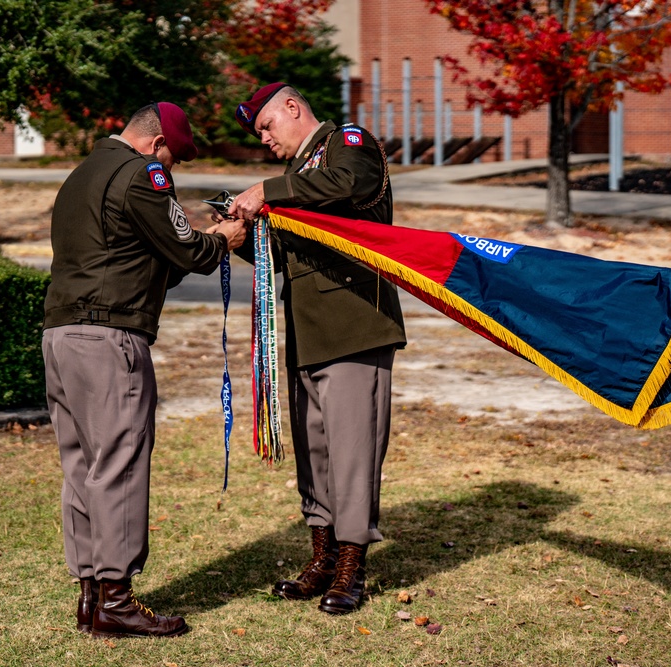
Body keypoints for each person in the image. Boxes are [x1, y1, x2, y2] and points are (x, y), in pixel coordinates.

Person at [42, 102, 247, 638]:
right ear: (158, 145)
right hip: (109, 338)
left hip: (62, 335)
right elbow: (188, 250)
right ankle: (117, 598)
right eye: (175, 160)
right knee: (122, 460)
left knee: (83, 464)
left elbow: (140, 261)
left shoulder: (81, 174)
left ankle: (90, 595)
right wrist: (223, 238)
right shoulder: (142, 174)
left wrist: (198, 247)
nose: (172, 171)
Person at [225, 83, 406, 615]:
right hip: (307, 332)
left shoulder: (348, 144)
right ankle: (322, 558)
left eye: (266, 126)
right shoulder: (297, 179)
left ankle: (351, 568)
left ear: (293, 107)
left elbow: (349, 184)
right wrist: (241, 241)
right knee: (317, 452)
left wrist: (268, 190)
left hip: (356, 324)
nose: (264, 139)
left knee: (353, 453)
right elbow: (283, 258)